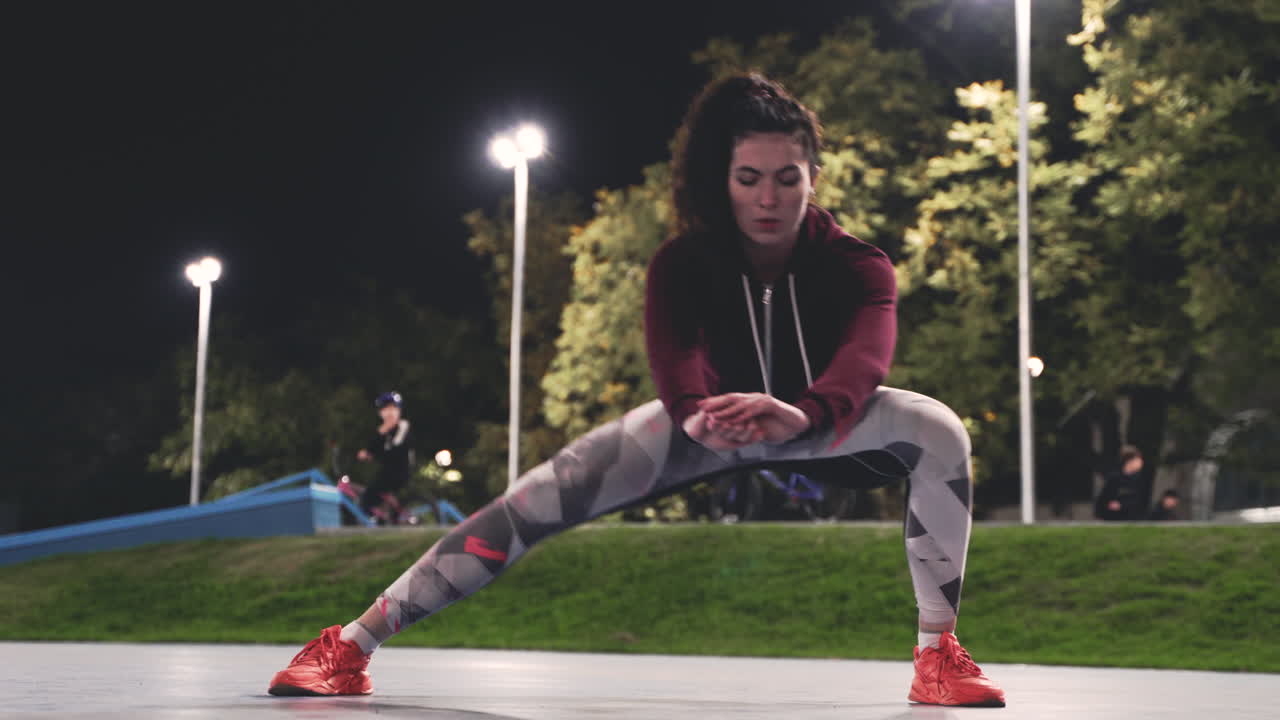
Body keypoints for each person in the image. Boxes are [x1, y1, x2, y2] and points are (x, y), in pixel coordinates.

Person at [268, 73, 1005, 707]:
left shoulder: (858, 264)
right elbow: (674, 355)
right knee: (529, 501)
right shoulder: (683, 262)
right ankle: (350, 647)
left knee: (939, 428)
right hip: (705, 427)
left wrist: (804, 413)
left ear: (814, 175)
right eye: (749, 178)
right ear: (722, 179)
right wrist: (693, 416)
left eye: (789, 177)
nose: (769, 197)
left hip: (819, 420)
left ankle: (936, 657)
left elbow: (865, 356)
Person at [355, 392, 415, 523]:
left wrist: (381, 437)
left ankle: (372, 522)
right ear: (380, 413)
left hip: (399, 471)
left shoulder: (403, 427)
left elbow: (395, 449)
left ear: (399, 411)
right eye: (386, 409)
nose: (389, 413)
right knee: (374, 496)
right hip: (388, 472)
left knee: (368, 496)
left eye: (393, 408)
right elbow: (374, 448)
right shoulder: (384, 431)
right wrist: (368, 453)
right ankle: (383, 518)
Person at [1094, 445, 1149, 521]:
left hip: (1133, 520)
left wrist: (1122, 505)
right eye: (1138, 459)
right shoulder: (1114, 479)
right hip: (1114, 520)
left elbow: (1140, 502)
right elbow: (1103, 499)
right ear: (1129, 461)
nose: (1141, 462)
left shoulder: (1140, 480)